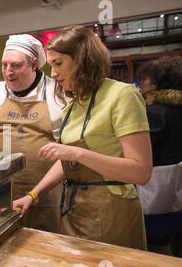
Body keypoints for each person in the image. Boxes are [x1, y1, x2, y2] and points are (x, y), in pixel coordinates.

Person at [14, 25, 152, 250]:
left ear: (83, 60)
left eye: (58, 64)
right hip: (75, 209)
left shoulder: (122, 96)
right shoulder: (74, 104)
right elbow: (67, 161)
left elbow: (141, 171)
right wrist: (33, 194)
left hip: (111, 212)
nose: (53, 74)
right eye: (51, 66)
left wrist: (77, 153)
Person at [0, 34, 64, 233]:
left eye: (16, 65)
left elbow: (67, 146)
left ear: (34, 64)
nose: (8, 72)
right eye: (4, 65)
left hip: (45, 192)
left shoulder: (58, 92)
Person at [135, 56, 182, 256]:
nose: (142, 83)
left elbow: (141, 153)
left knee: (153, 243)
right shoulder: (177, 108)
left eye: (147, 78)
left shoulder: (155, 112)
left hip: (155, 187)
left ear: (159, 81)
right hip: (175, 185)